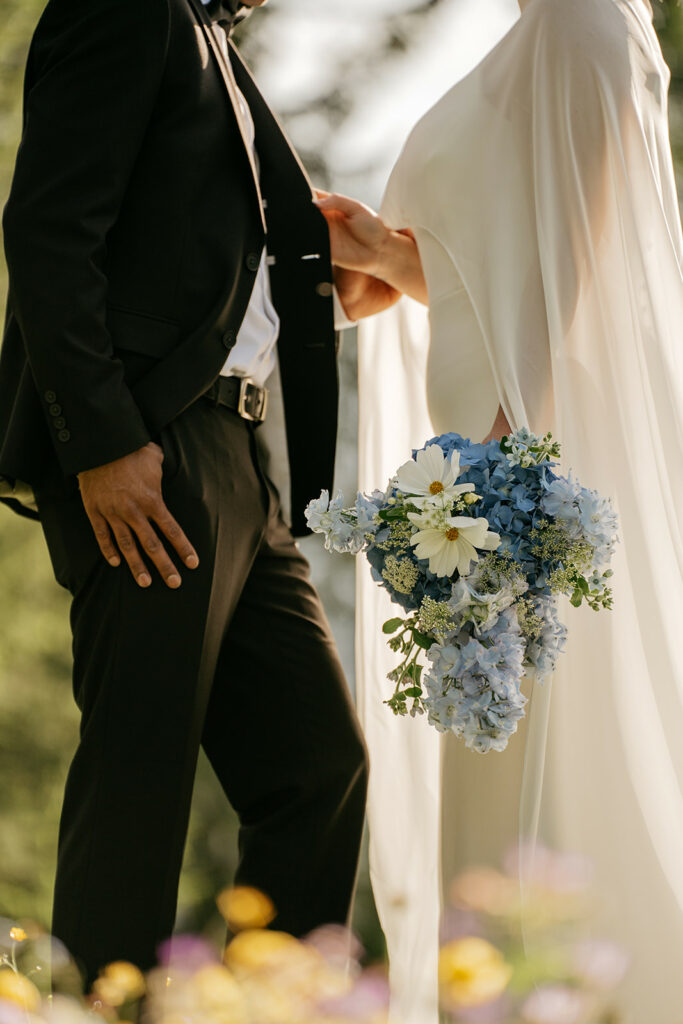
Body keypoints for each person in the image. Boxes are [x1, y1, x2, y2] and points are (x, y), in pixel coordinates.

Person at [321, 0, 683, 1021]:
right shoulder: (542, 32)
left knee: (542, 793)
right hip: (487, 474)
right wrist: (389, 261)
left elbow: (579, 286)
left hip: (511, 489)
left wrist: (485, 478)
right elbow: (527, 282)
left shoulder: (581, 24)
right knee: (498, 788)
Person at [0, 0, 369, 989]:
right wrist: (105, 441)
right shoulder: (121, 7)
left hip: (242, 456)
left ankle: (273, 1011)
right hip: (150, 455)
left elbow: (192, 248)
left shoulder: (210, 41)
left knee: (317, 773)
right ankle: (88, 1014)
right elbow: (45, 230)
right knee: (139, 778)